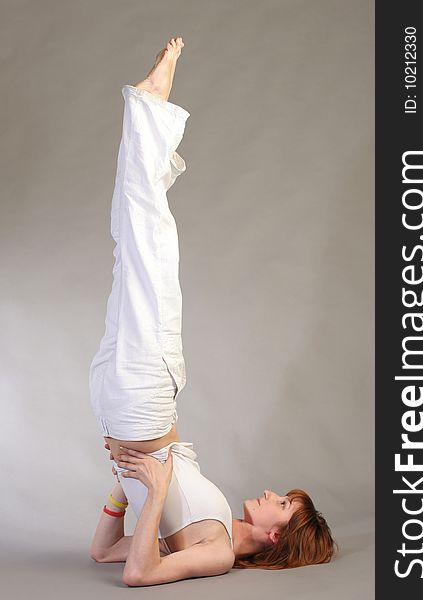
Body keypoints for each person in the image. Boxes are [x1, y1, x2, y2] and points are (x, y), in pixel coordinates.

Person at [88, 37, 336, 586]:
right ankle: (148, 110)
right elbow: (104, 552)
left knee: (150, 245)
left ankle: (151, 107)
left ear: (278, 535)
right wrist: (121, 490)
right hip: (124, 407)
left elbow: (135, 573)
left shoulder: (220, 552)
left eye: (283, 504)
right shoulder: (216, 523)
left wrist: (147, 489)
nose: (274, 493)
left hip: (142, 403)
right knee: (134, 245)